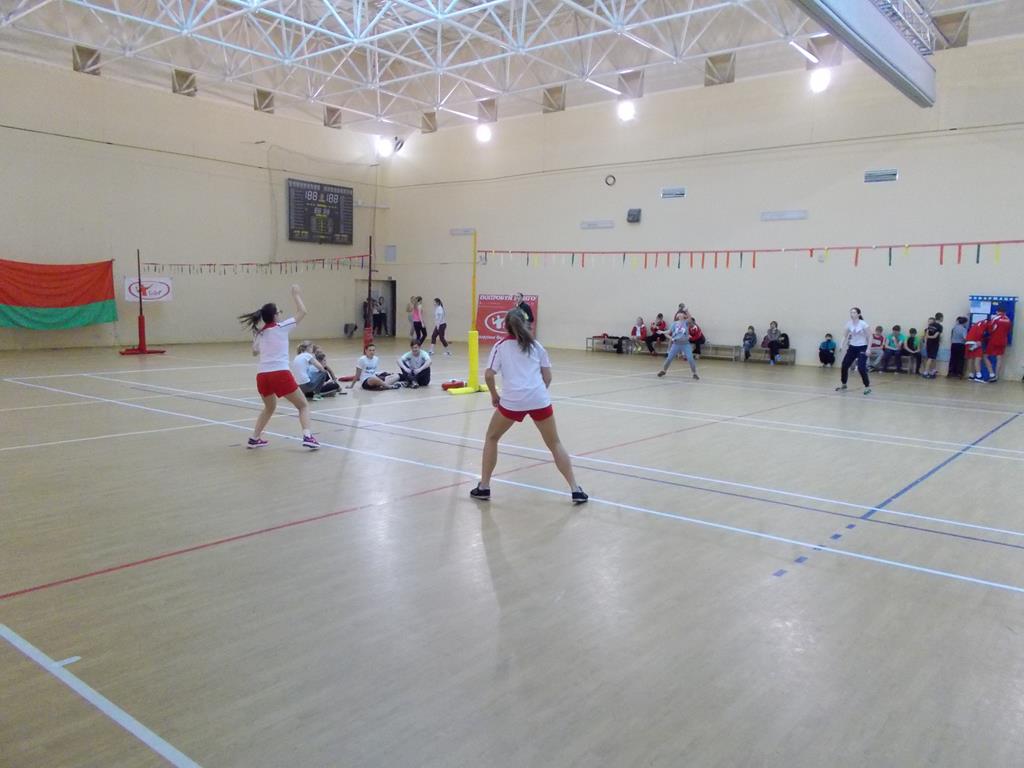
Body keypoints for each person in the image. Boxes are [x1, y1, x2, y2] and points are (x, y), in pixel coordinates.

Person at [470, 309, 587, 504]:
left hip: (512, 401)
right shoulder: (537, 346)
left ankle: (484, 487)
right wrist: (537, 395)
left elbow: (489, 375)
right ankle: (576, 490)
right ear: (526, 324)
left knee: (492, 438)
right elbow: (548, 377)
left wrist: (494, 395)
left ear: (505, 326)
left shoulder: (500, 346)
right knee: (555, 443)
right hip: (539, 399)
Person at [237, 284, 319, 450]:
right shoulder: (282, 327)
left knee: (269, 407)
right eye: (279, 312)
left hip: (262, 376)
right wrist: (296, 294)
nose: (281, 314)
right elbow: (303, 312)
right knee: (303, 405)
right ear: (274, 316)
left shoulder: (260, 333)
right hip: (279, 373)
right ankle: (308, 437)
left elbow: (254, 352)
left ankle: (254, 438)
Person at [836, 307, 871, 395]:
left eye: (854, 312)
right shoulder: (849, 324)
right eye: (851, 312)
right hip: (852, 347)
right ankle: (844, 384)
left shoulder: (863, 324)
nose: (852, 314)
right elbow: (844, 335)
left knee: (861, 368)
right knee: (844, 365)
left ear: (859, 314)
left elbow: (870, 337)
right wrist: (841, 344)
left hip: (862, 347)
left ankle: (867, 386)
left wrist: (868, 348)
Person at [657, 311, 699, 380]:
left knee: (690, 359)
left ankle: (694, 373)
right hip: (676, 344)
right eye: (679, 314)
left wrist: (687, 311)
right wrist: (662, 332)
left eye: (681, 314)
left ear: (684, 316)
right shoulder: (674, 324)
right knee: (669, 358)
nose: (680, 315)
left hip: (685, 344)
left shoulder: (686, 322)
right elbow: (669, 331)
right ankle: (664, 370)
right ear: (677, 316)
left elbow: (690, 318)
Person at [982, 305, 1013, 382]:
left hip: (994, 340)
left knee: (985, 356)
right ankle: (996, 376)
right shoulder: (1008, 320)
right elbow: (1009, 330)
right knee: (999, 358)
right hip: (1003, 341)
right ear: (1005, 312)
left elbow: (990, 329)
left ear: (997, 312)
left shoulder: (995, 318)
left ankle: (991, 373)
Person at [921, 314, 943, 379]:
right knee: (930, 358)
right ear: (941, 318)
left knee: (933, 358)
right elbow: (935, 336)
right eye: (942, 318)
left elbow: (927, 334)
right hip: (934, 344)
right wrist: (929, 337)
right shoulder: (940, 326)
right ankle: (925, 372)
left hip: (929, 343)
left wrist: (927, 337)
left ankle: (933, 371)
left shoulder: (930, 325)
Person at [965, 317, 987, 381]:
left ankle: (971, 375)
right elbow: (981, 335)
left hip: (968, 343)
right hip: (975, 342)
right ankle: (978, 376)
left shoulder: (976, 325)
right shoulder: (983, 326)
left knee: (970, 359)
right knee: (978, 359)